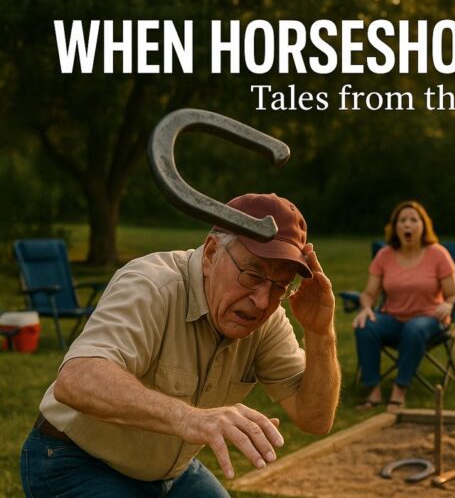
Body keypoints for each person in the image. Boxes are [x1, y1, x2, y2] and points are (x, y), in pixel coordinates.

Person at [19, 193, 341, 497]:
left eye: (279, 285)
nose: (261, 301)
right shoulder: (151, 286)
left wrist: (320, 333)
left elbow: (315, 418)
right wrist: (191, 419)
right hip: (73, 459)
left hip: (168, 473)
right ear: (212, 253)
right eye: (252, 275)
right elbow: (77, 379)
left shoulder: (268, 317)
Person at [353, 200, 455, 413]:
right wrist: (366, 308)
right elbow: (368, 294)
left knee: (415, 328)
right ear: (395, 227)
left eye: (413, 220)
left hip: (430, 319)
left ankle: (399, 389)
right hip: (392, 318)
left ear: (423, 226)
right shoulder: (384, 255)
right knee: (365, 326)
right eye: (402, 220)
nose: (407, 225)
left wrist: (449, 305)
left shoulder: (438, 254)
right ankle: (373, 390)